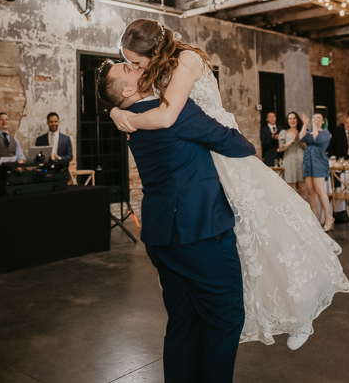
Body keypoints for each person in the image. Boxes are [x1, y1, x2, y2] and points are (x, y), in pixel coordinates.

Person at [109, 19, 349, 351]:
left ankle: (302, 310)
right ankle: (275, 311)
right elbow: (138, 97)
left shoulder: (185, 60)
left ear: (153, 50)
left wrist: (125, 118)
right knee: (245, 243)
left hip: (220, 145)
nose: (136, 67)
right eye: (130, 64)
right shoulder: (159, 67)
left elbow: (166, 117)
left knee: (270, 229)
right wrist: (113, 110)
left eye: (136, 61)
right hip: (205, 150)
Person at [97, 60, 255, 382]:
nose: (134, 65)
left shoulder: (130, 121)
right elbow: (232, 142)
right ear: (128, 90)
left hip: (161, 236)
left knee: (184, 322)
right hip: (200, 231)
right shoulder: (171, 109)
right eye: (127, 69)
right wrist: (244, 139)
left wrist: (114, 111)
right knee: (225, 318)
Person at [301, 113, 334, 231]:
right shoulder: (310, 131)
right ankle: (315, 217)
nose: (315, 119)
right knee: (310, 190)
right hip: (308, 161)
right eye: (314, 117)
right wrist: (305, 125)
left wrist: (315, 126)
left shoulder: (325, 132)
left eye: (318, 118)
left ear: (323, 120)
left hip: (319, 161)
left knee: (319, 189)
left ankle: (329, 217)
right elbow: (301, 137)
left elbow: (316, 139)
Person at [278, 112, 307, 199]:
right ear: (287, 120)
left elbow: (307, 147)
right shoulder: (284, 132)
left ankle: (303, 211)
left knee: (302, 189)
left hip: (301, 161)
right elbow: (281, 148)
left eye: (294, 118)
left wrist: (299, 141)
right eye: (290, 119)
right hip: (289, 162)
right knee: (291, 188)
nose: (292, 120)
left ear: (297, 120)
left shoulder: (303, 131)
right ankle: (294, 211)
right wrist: (292, 141)